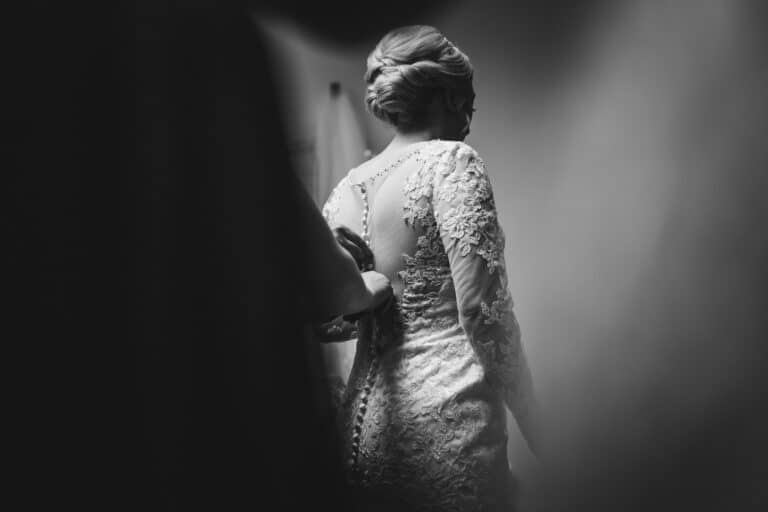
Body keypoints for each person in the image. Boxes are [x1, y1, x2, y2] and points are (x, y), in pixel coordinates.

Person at [320, 25, 539, 511]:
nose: (468, 120)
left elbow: (322, 320)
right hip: (448, 421)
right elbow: (483, 310)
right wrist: (536, 421)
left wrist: (363, 289)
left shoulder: (343, 192)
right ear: (444, 95)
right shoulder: (451, 162)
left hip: (362, 431)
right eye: (467, 103)